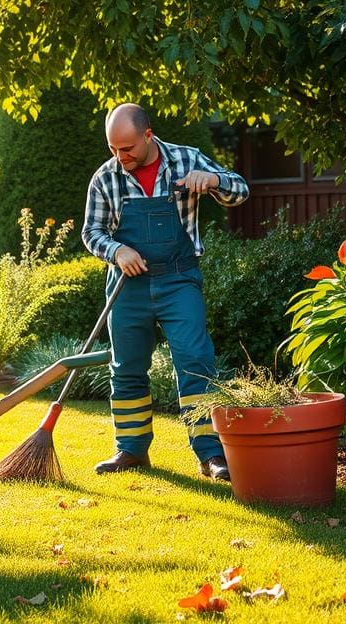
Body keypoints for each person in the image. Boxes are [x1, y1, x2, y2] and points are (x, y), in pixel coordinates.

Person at [82, 102, 249, 479]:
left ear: (148, 135)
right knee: (126, 367)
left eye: (127, 149)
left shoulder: (187, 160)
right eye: (113, 149)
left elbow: (240, 190)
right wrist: (116, 250)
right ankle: (131, 450)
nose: (120, 157)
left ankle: (211, 455)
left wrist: (215, 182)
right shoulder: (106, 178)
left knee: (196, 362)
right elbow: (91, 232)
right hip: (128, 286)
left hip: (179, 279)